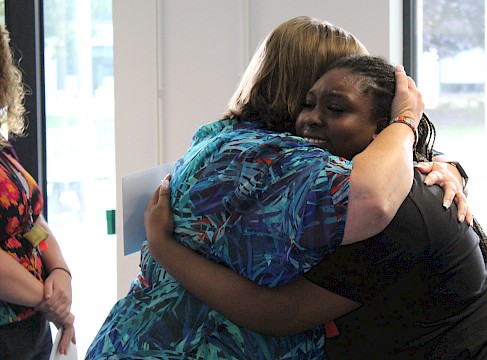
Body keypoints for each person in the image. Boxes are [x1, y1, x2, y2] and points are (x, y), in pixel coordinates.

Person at [86, 16, 466, 360]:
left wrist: (448, 168)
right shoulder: (276, 160)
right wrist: (404, 121)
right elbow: (372, 197)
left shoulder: (225, 139)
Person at [145, 55, 487, 359]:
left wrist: (163, 247)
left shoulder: (395, 211)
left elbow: (274, 312)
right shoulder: (346, 180)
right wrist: (450, 164)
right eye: (308, 104)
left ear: (382, 128)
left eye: (336, 109)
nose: (310, 120)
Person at [0, 23, 76, 359]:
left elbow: (31, 225)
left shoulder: (1, 147)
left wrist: (60, 271)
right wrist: (51, 301)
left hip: (32, 326)